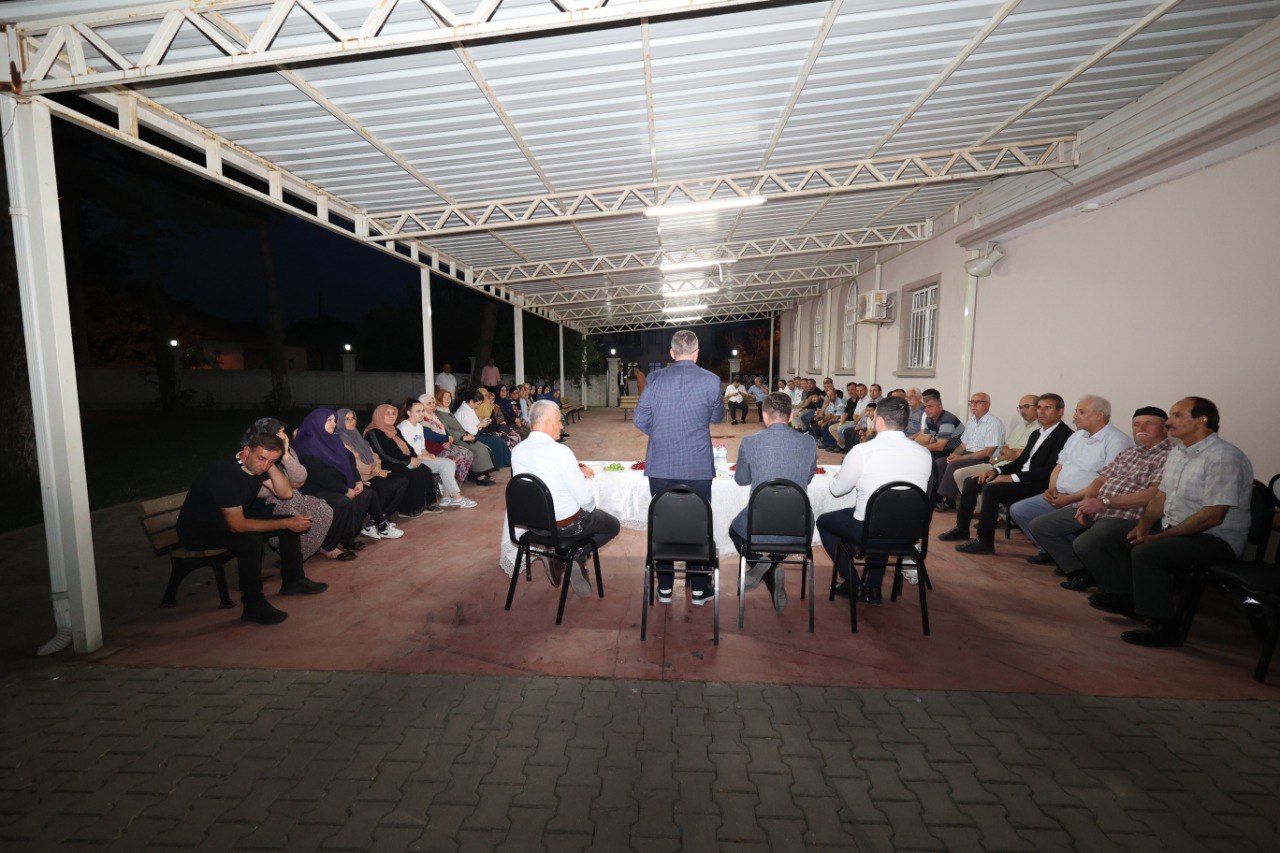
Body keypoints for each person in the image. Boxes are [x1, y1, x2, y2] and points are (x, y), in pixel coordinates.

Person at [1086, 397, 1254, 647]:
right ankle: (1130, 600)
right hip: (1176, 527)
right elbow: (1161, 497)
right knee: (1114, 538)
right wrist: (1143, 526)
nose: (1169, 421)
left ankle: (1163, 626)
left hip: (1215, 537)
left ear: (1202, 420)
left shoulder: (1223, 457)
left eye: (1177, 415)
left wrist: (1161, 537)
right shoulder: (1178, 452)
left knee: (1147, 552)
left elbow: (1214, 515)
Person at [176, 432, 326, 625]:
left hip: (226, 520)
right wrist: (285, 523)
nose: (264, 465)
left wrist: (270, 465)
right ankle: (253, 605)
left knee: (288, 521)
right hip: (199, 531)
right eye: (261, 458)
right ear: (246, 451)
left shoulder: (257, 466)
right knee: (251, 538)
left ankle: (293, 581)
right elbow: (237, 525)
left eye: (271, 461)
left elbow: (286, 493)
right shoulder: (225, 475)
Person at [1029, 406, 1173, 591]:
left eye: (1149, 423)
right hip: (1099, 506)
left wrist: (1104, 502)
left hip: (1128, 513)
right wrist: (1086, 502)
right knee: (1041, 526)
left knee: (1086, 543)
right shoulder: (1131, 452)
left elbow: (1153, 494)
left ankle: (1116, 592)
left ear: (1165, 428)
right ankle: (1081, 570)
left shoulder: (1169, 456)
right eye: (1136, 424)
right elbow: (1099, 480)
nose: (1141, 428)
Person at [632, 329, 726, 606]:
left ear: (672, 353)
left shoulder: (655, 379)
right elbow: (717, 417)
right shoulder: (711, 380)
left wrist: (662, 434)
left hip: (661, 465)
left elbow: (639, 419)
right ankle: (698, 590)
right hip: (697, 467)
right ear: (696, 353)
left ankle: (664, 588)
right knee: (698, 525)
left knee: (664, 524)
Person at [816, 396, 930, 604]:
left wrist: (839, 477)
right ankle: (873, 587)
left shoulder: (863, 451)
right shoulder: (924, 453)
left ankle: (853, 582)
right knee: (886, 517)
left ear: (879, 421)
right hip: (909, 534)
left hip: (869, 533)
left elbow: (837, 490)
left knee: (825, 522)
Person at [511, 400, 621, 596]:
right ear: (547, 422)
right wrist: (590, 508)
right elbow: (585, 500)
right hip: (566, 526)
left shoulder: (518, 450)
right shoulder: (561, 452)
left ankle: (555, 554)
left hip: (534, 525)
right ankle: (575, 555)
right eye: (559, 421)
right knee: (613, 525)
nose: (562, 426)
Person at [939, 394, 1072, 555]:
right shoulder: (1037, 434)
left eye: (1048, 408)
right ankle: (962, 529)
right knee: (972, 481)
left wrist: (1011, 478)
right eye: (1039, 407)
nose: (1042, 412)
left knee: (991, 489)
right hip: (1021, 476)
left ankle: (985, 542)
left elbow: (1047, 470)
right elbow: (1020, 461)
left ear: (1060, 411)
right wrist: (995, 471)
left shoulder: (1065, 436)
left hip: (1038, 482)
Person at [1007, 396, 1133, 564]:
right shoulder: (1077, 436)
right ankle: (1051, 551)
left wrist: (1069, 498)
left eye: (1081, 412)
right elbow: (1059, 465)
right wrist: (1051, 488)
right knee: (1019, 510)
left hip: (1086, 500)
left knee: (1041, 524)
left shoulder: (1117, 440)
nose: (1075, 416)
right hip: (1059, 494)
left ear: (1099, 415)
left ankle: (1076, 563)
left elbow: (1106, 481)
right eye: (1076, 411)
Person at [731, 392, 817, 613]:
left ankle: (764, 567)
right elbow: (807, 478)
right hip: (798, 525)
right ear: (791, 416)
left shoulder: (750, 442)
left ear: (764, 416)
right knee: (788, 531)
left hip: (759, 524)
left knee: (735, 530)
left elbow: (741, 480)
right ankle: (771, 565)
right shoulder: (808, 442)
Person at [242, 417, 335, 561]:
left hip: (292, 496)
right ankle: (291, 557)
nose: (283, 436)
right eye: (278, 433)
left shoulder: (288, 451)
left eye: (283, 432)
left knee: (324, 510)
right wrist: (288, 484)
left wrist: (285, 456)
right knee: (293, 516)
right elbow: (262, 491)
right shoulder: (254, 455)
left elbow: (300, 479)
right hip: (266, 504)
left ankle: (300, 555)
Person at [294, 408, 388, 543]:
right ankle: (330, 543)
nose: (334, 424)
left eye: (334, 420)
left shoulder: (334, 439)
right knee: (342, 502)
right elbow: (321, 474)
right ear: (317, 421)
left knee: (368, 493)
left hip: (339, 483)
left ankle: (349, 536)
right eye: (329, 420)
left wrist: (357, 481)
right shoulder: (307, 445)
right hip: (317, 488)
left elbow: (350, 461)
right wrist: (345, 490)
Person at [335, 408, 408, 538]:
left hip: (374, 471)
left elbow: (373, 454)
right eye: (347, 419)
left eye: (353, 418)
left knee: (402, 480)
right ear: (339, 421)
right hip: (361, 477)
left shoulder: (356, 436)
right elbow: (350, 464)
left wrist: (377, 465)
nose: (351, 421)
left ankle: (376, 520)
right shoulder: (339, 440)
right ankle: (379, 523)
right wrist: (372, 470)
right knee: (386, 485)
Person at [948, 395, 1040, 495]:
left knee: (970, 481)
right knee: (959, 474)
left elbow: (1022, 455)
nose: (1022, 410)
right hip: (997, 463)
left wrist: (1008, 454)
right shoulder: (1019, 427)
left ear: (1038, 407)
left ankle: (969, 501)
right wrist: (1004, 456)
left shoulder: (1040, 430)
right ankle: (975, 502)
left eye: (1026, 406)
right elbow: (1003, 449)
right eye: (1020, 407)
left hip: (1013, 468)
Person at [396, 399, 477, 509]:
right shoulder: (404, 427)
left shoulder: (419, 427)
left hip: (422, 458)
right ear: (409, 413)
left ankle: (446, 498)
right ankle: (458, 498)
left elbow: (422, 448)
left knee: (451, 463)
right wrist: (425, 457)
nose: (421, 414)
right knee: (444, 464)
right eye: (418, 411)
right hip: (411, 461)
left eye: (422, 410)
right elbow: (406, 452)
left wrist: (428, 455)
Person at [365, 404, 443, 516]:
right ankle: (408, 510)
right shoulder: (373, 432)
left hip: (401, 460)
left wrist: (413, 457)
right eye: (387, 413)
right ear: (379, 415)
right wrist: (408, 460)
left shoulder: (394, 429)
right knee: (412, 474)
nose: (391, 416)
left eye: (393, 413)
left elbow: (407, 446)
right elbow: (385, 453)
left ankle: (425, 505)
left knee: (425, 470)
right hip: (386, 463)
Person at [934, 393, 1005, 510]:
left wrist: (960, 458)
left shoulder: (993, 423)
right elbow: (962, 445)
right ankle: (941, 500)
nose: (973, 405)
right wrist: (954, 455)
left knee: (954, 464)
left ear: (987, 405)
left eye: (978, 402)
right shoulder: (971, 421)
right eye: (972, 402)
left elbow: (988, 452)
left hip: (985, 459)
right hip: (969, 455)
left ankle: (948, 500)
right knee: (941, 462)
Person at [420, 394, 490, 486]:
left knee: (468, 454)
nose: (432, 405)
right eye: (429, 404)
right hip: (433, 449)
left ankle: (456, 483)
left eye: (433, 403)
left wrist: (449, 440)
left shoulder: (435, 416)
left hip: (448, 442)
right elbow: (432, 436)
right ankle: (451, 485)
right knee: (463, 456)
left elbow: (446, 431)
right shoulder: (423, 419)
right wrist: (449, 438)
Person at [429, 390, 499, 479]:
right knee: (479, 450)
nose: (448, 399)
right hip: (456, 439)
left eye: (449, 397)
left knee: (484, 447)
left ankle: (483, 473)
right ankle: (479, 476)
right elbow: (447, 431)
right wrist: (463, 437)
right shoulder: (439, 414)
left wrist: (467, 435)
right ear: (439, 399)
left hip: (463, 436)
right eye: (444, 397)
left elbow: (459, 427)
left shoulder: (447, 411)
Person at [455, 389, 513, 468]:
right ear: (471, 402)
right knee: (498, 442)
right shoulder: (464, 411)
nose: (478, 406)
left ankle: (505, 462)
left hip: (477, 433)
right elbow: (471, 431)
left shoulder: (469, 408)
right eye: (478, 404)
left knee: (500, 440)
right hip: (470, 437)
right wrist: (481, 425)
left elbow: (474, 424)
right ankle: (499, 464)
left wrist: (482, 422)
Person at [913, 392, 965, 459]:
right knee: (917, 454)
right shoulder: (929, 419)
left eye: (930, 406)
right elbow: (925, 438)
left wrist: (918, 448)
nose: (926, 410)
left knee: (925, 457)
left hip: (956, 450)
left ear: (940, 407)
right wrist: (912, 447)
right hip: (944, 448)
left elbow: (940, 446)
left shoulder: (947, 420)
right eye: (925, 407)